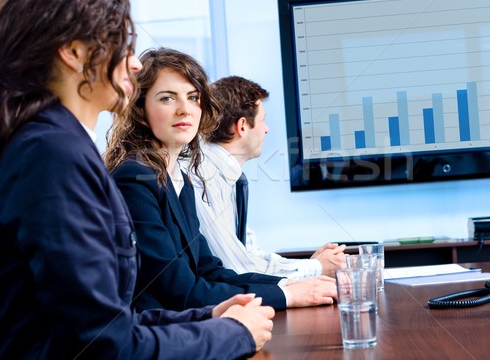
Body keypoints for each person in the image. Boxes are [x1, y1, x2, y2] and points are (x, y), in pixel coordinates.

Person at [0, 0, 274, 359]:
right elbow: (105, 346)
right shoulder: (52, 156)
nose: (134, 64)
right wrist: (234, 335)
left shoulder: (54, 145)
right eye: (123, 44)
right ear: (75, 53)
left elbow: (109, 323)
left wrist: (210, 317)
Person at [104, 47, 337, 313]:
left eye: (193, 97)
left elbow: (210, 270)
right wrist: (287, 296)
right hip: (156, 336)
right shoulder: (134, 178)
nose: (185, 110)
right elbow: (181, 291)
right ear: (140, 109)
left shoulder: (179, 180)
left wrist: (290, 285)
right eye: (168, 98)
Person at [189, 76, 346, 279]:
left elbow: (250, 254)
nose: (266, 128)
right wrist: (315, 267)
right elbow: (238, 267)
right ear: (242, 126)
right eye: (262, 120)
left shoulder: (229, 176)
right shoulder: (205, 177)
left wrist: (311, 265)